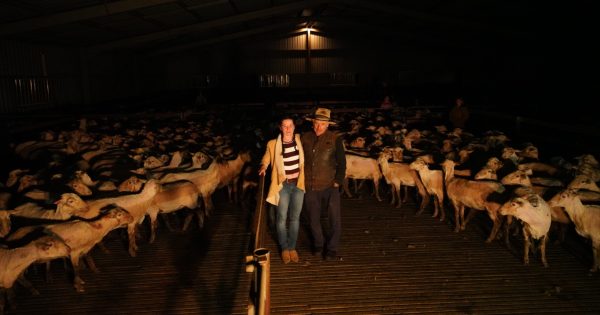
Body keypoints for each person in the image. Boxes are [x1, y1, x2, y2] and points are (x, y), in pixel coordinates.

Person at [259, 117, 305, 264]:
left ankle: (292, 247)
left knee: (295, 218)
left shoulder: (299, 140)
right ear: (280, 128)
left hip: (298, 184)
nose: (287, 128)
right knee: (281, 218)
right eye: (284, 126)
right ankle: (284, 248)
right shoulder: (273, 144)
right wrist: (263, 167)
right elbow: (266, 158)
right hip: (283, 185)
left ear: (294, 127)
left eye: (290, 125)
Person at [301, 108, 346, 261]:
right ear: (312, 123)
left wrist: (337, 181)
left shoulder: (335, 139)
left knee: (335, 218)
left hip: (330, 185)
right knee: (313, 218)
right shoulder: (304, 138)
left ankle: (332, 248)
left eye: (322, 124)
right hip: (309, 185)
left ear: (328, 125)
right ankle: (319, 245)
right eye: (316, 123)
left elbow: (342, 163)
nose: (318, 127)